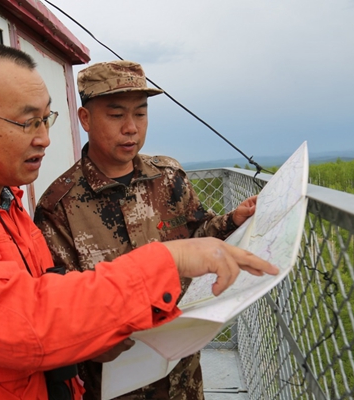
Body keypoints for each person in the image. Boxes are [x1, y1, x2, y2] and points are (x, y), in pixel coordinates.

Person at [0, 45, 277, 400]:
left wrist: (95, 340)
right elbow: (22, 323)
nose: (43, 137)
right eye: (27, 121)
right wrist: (170, 260)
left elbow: (58, 298)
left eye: (46, 119)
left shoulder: (5, 209)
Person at [34, 60, 259, 400]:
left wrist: (233, 221)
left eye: (140, 113)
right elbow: (60, 304)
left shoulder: (168, 177)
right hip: (116, 386)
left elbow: (198, 234)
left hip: (184, 376)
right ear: (85, 119)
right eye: (116, 115)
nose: (131, 128)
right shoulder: (59, 208)